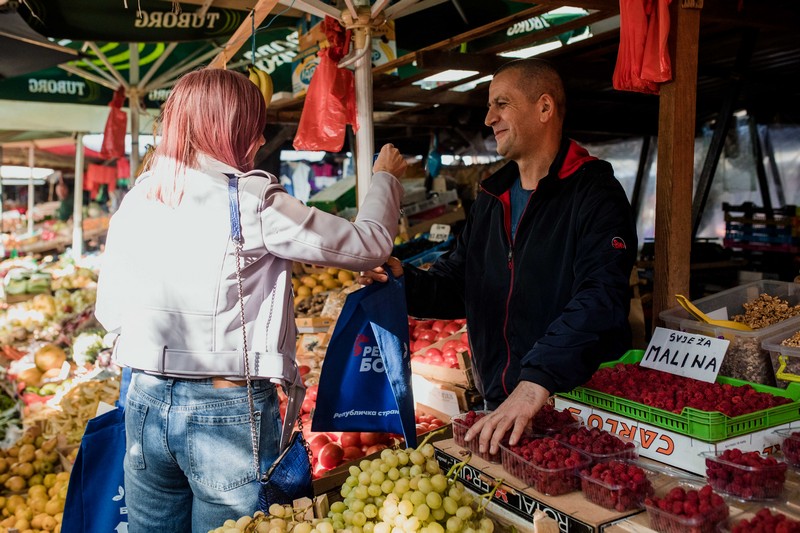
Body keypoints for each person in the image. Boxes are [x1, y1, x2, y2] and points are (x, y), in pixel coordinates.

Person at [94, 68, 406, 532]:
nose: (260, 137)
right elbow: (369, 244)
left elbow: (109, 312)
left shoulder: (140, 197)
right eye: (254, 124)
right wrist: (384, 180)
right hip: (224, 410)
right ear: (231, 126)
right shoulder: (249, 200)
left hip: (144, 400)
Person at [359, 58, 637, 458]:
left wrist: (535, 382)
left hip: (578, 409)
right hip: (503, 405)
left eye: (501, 104)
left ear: (544, 108)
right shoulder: (492, 198)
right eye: (490, 106)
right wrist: (404, 280)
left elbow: (601, 296)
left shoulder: (594, 193)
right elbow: (459, 284)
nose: (489, 118)